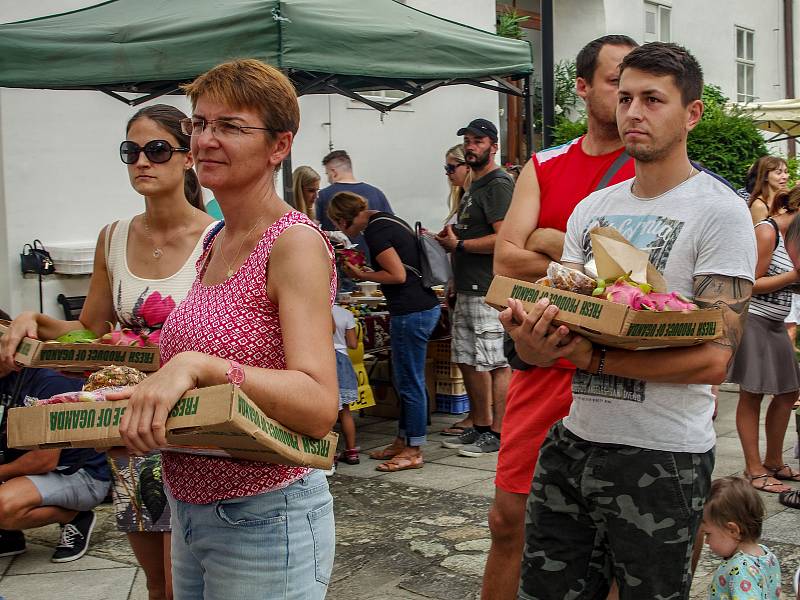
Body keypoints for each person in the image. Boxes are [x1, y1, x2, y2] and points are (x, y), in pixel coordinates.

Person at [503, 42, 756, 598]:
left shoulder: (719, 211)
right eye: (624, 98)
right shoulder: (593, 208)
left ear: (692, 113)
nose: (634, 112)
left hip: (661, 456)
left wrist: (591, 357)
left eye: (653, 99)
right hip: (573, 440)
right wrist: (533, 337)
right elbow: (567, 309)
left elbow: (715, 359)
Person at [109, 59, 338, 599]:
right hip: (189, 507)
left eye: (231, 127)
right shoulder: (216, 238)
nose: (206, 140)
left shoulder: (293, 243)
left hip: (263, 514)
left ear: (279, 146)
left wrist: (203, 367)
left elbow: (318, 401)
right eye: (200, 123)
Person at [0, 103, 215, 600]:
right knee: (158, 583)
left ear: (186, 158)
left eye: (157, 149)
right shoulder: (114, 237)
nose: (142, 161)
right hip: (132, 425)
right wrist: (36, 323)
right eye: (131, 151)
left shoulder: (215, 239)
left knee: (191, 578)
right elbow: (91, 331)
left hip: (193, 421)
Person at [487, 34, 637, 600]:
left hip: (618, 372)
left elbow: (634, 285)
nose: (627, 95)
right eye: (615, 80)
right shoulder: (546, 164)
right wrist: (578, 256)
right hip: (540, 361)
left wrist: (549, 240)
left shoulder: (647, 171)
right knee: (509, 519)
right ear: (581, 86)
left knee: (620, 537)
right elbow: (505, 257)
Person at [328, 191, 441, 472]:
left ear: (344, 219)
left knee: (409, 381)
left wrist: (362, 275)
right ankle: (403, 440)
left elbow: (397, 276)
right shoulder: (386, 220)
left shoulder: (376, 232)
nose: (345, 232)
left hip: (411, 310)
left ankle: (413, 449)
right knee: (404, 378)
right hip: (421, 306)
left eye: (341, 225)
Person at [435, 119, 513, 458]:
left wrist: (461, 247)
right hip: (468, 286)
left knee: (494, 362)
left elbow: (505, 239)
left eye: (478, 140)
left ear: (493, 145)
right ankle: (480, 426)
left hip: (489, 288)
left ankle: (499, 432)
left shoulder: (497, 184)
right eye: (467, 140)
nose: (471, 146)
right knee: (467, 359)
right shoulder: (475, 185)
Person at [729, 186, 800, 494]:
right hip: (754, 319)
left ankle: (773, 461)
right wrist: (794, 276)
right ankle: (753, 469)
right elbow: (749, 284)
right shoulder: (767, 231)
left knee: (788, 391)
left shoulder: (792, 237)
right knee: (752, 393)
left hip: (775, 321)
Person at [0, 365, 110, 563]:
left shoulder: (49, 382)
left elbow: (43, 461)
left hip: (81, 474)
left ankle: (75, 518)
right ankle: (9, 535)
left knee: (2, 506)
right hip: (26, 470)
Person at [703, 476, 782, 599]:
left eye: (708, 534)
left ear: (733, 530)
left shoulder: (741, 569)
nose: (706, 542)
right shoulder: (767, 555)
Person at [440, 143, 472, 436]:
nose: (448, 173)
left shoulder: (473, 200)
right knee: (463, 355)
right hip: (458, 283)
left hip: (475, 285)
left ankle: (480, 418)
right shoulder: (460, 200)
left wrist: (455, 244)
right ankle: (476, 417)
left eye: (452, 167)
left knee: (479, 358)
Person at [315, 149, 393, 232]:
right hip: (375, 244)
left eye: (327, 174)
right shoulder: (377, 193)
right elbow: (391, 225)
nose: (328, 179)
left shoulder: (322, 195)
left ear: (334, 172)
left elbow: (313, 226)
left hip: (339, 244)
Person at [332, 304, 360, 466]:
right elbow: (353, 344)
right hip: (343, 360)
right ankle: (352, 452)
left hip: (325, 358)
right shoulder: (346, 313)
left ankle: (331, 454)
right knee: (346, 412)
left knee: (328, 412)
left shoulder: (315, 309)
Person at [748, 156, 788, 225]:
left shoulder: (786, 199)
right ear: (765, 176)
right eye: (778, 173)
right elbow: (760, 234)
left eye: (786, 172)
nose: (785, 177)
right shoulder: (759, 206)